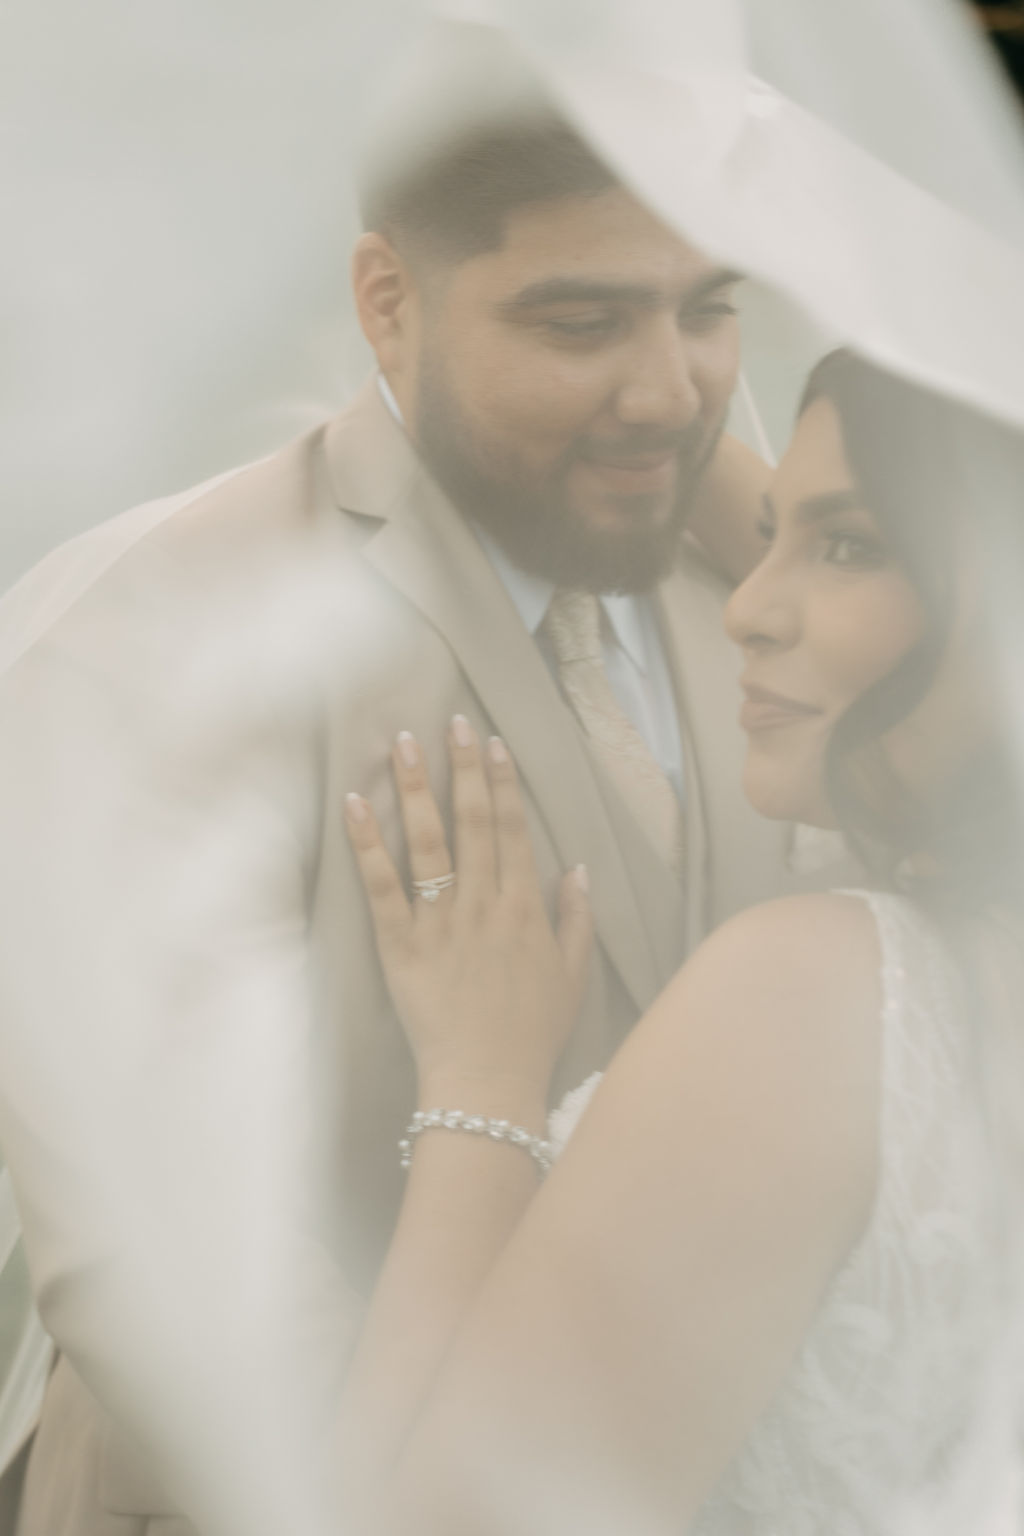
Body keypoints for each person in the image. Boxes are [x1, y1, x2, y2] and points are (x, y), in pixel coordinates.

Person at [0, 103, 803, 1532]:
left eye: (707, 313)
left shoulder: (776, 586)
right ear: (389, 301)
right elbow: (186, 1306)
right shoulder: (144, 646)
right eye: (581, 324)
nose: (671, 394)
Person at [339, 348, 1024, 1533]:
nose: (748, 606)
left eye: (846, 545)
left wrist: (482, 1091)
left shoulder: (815, 1009)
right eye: (766, 536)